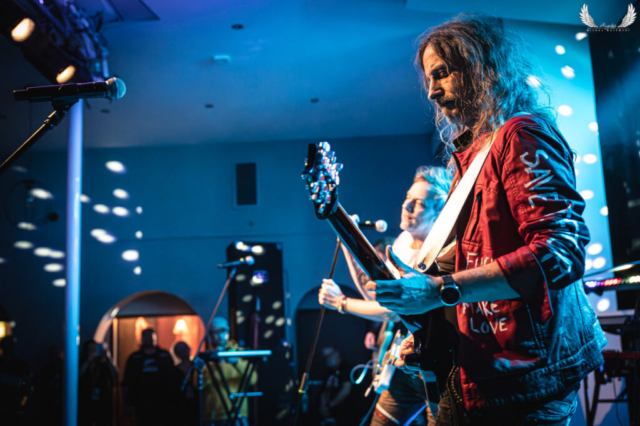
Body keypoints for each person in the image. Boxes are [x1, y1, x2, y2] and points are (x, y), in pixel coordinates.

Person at [365, 13, 607, 426]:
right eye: (429, 79)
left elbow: (560, 252)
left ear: (482, 66)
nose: (433, 92)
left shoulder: (522, 134)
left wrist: (439, 289)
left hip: (526, 377)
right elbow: (479, 256)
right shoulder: (473, 154)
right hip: (481, 367)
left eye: (442, 73)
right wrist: (430, 328)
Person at [318, 166, 451, 426]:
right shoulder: (402, 240)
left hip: (434, 368)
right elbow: (375, 294)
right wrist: (347, 243)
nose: (406, 206)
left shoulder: (442, 250)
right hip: (404, 364)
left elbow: (393, 310)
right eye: (407, 197)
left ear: (439, 211)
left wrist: (341, 302)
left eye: (419, 203)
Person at [202, 317, 257, 426]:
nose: (219, 335)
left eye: (222, 331)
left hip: (238, 413)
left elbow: (253, 379)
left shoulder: (239, 352)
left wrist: (236, 362)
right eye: (215, 332)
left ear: (228, 331)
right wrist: (213, 364)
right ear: (210, 334)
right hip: (213, 415)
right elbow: (197, 383)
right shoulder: (206, 356)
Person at [122, 328, 174, 426]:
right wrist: (126, 404)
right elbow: (127, 381)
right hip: (141, 402)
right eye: (146, 336)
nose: (149, 339)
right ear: (142, 339)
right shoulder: (134, 358)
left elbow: (172, 379)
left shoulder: (164, 356)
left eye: (151, 336)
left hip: (162, 402)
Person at [78, 339, 118, 426]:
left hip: (103, 399)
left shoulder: (103, 363)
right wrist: (88, 361)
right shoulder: (82, 363)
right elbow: (79, 375)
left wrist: (107, 358)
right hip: (86, 399)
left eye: (95, 349)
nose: (93, 351)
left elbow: (115, 375)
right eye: (90, 349)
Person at [318, 347, 355, 426]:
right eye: (325, 357)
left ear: (336, 353)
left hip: (345, 414)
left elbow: (346, 390)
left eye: (329, 355)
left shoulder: (346, 368)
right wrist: (323, 406)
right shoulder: (329, 371)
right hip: (330, 414)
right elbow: (325, 390)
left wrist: (331, 405)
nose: (327, 358)